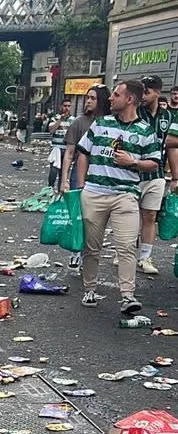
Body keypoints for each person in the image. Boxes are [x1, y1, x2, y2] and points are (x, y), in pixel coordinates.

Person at [76, 80, 160, 313]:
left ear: (129, 99)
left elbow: (154, 163)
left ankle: (127, 296)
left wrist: (132, 162)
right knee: (92, 247)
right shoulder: (100, 124)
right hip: (94, 193)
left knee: (125, 246)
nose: (110, 98)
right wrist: (82, 186)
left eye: (116, 94)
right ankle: (89, 289)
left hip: (126, 195)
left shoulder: (145, 131)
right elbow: (83, 153)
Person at [59, 85, 111, 270]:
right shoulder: (79, 122)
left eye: (93, 98)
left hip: (102, 176)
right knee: (78, 216)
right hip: (79, 175)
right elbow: (69, 153)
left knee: (95, 219)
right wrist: (64, 179)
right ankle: (76, 252)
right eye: (87, 97)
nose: (88, 101)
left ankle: (89, 254)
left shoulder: (110, 123)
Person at [131, 75, 175, 275]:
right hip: (132, 172)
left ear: (158, 92)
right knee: (130, 216)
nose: (143, 96)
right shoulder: (135, 112)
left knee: (150, 215)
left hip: (156, 174)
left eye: (147, 92)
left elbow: (172, 147)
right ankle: (126, 251)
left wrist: (175, 176)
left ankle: (145, 257)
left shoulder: (168, 117)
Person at [48, 99, 74, 189]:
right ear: (61, 106)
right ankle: (50, 189)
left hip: (66, 149)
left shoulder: (73, 120)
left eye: (68, 106)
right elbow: (51, 130)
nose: (66, 108)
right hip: (56, 148)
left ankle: (60, 191)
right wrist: (60, 120)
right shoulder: (55, 118)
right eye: (65, 106)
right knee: (53, 171)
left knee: (63, 172)